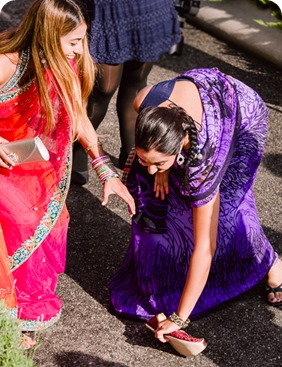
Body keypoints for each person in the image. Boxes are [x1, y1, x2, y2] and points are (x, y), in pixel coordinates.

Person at [109, 67, 282, 347]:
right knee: (170, 199)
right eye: (145, 160)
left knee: (226, 209)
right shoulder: (146, 101)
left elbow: (205, 247)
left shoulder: (204, 165)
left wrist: (178, 319)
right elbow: (152, 141)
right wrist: (162, 167)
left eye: (159, 163)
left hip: (244, 119)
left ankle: (271, 262)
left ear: (180, 146)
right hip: (200, 113)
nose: (151, 170)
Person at [0, 0, 135, 333]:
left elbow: (77, 115)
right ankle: (12, 313)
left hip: (29, 158)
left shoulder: (63, 61)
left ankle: (22, 304)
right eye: (74, 41)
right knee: (22, 217)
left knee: (55, 219)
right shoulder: (5, 63)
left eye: (82, 40)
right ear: (48, 35)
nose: (80, 50)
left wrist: (105, 170)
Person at [71, 0, 182, 185]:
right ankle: (80, 147)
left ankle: (132, 152)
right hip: (108, 8)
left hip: (147, 8)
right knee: (102, 89)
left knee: (136, 82)